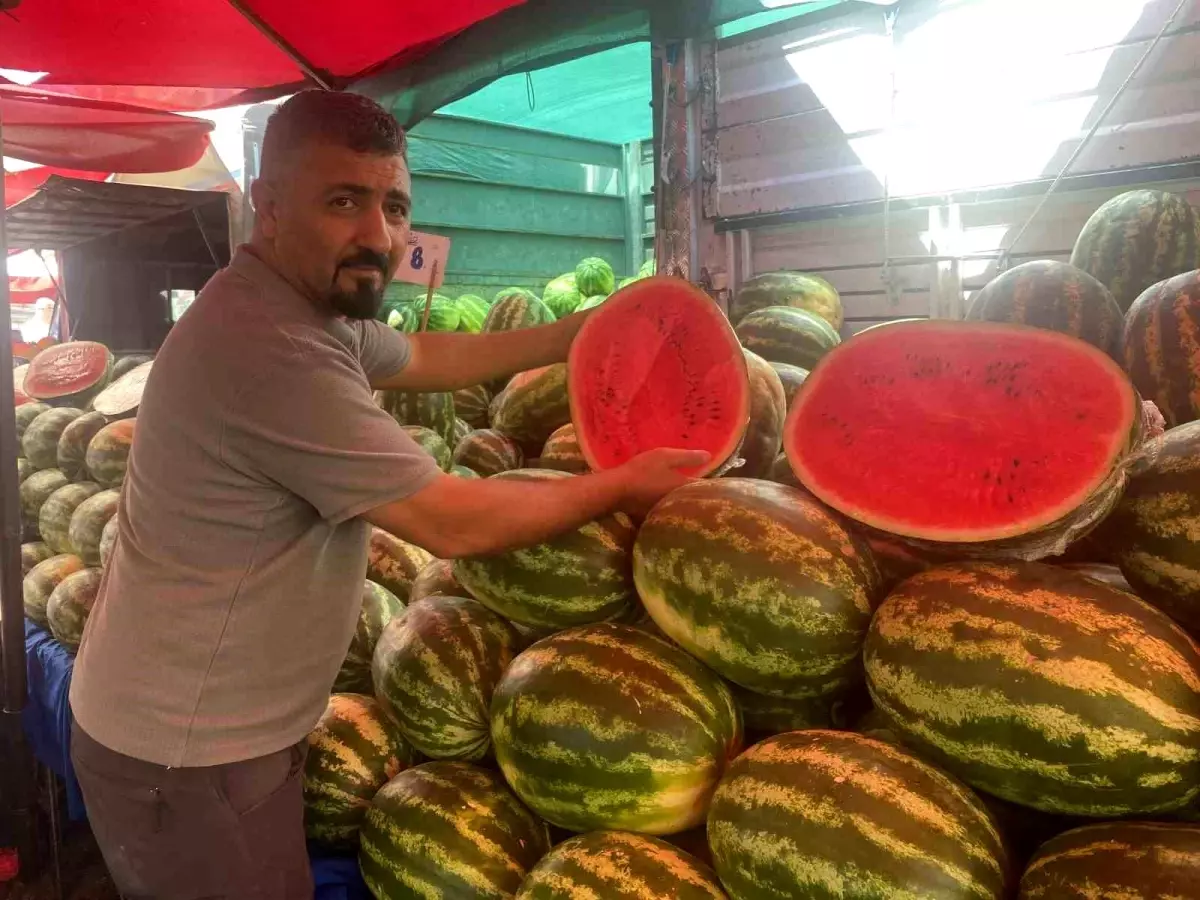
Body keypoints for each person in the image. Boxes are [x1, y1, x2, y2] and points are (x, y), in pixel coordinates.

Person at [68, 90, 704, 899]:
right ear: (267, 207)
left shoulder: (304, 307)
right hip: (190, 753)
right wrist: (627, 481)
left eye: (393, 205)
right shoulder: (270, 350)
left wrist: (576, 333)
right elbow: (451, 521)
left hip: (203, 730)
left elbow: (425, 354)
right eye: (343, 201)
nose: (378, 235)